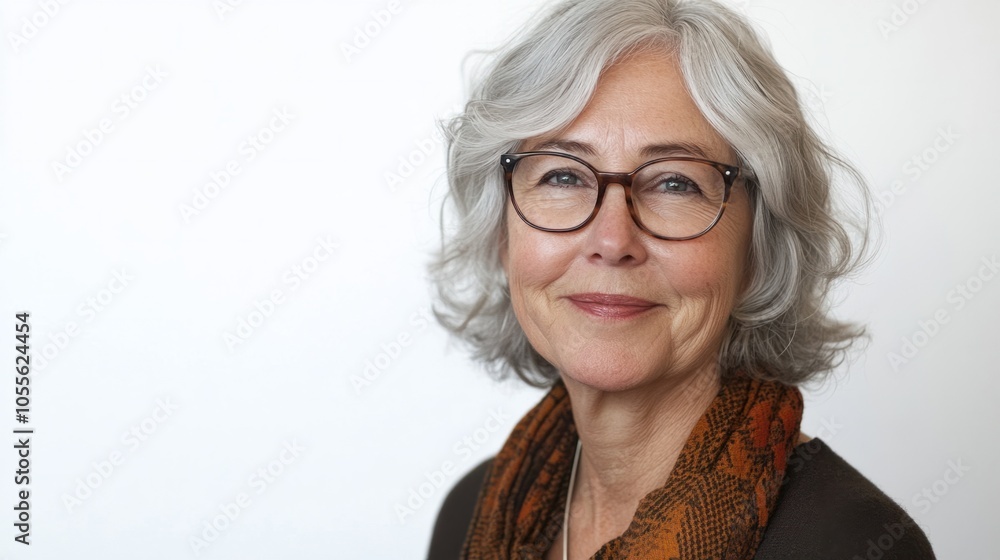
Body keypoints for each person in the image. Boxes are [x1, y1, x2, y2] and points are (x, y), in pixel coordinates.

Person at [425, 0, 936, 558]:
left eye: (675, 184)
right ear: (502, 235)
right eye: (563, 175)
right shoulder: (472, 514)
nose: (612, 241)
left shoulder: (854, 545)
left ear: (759, 246)